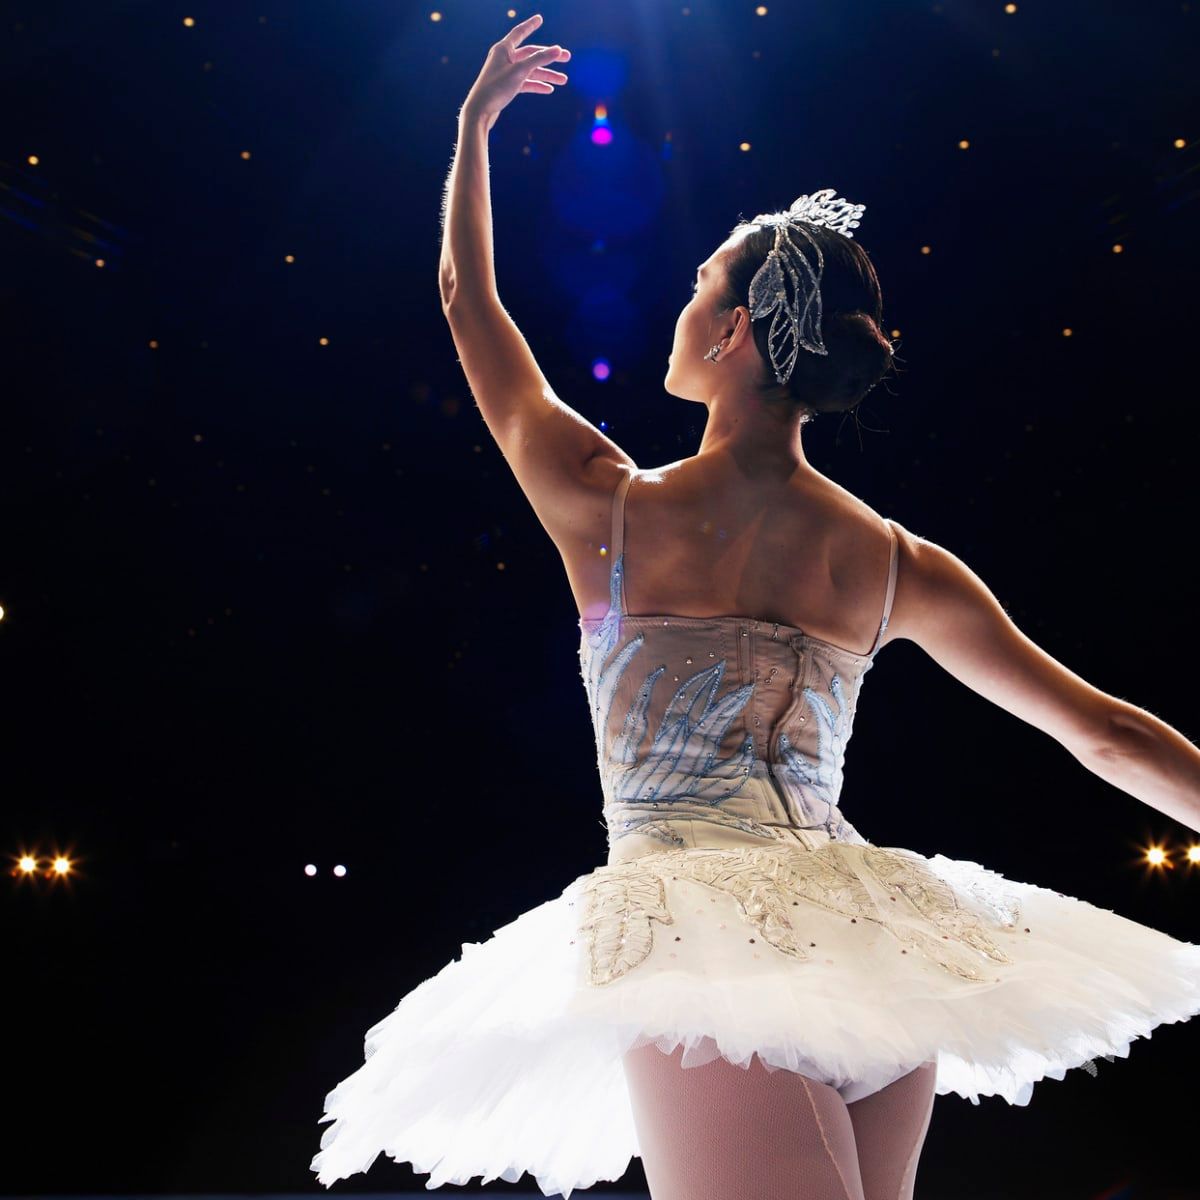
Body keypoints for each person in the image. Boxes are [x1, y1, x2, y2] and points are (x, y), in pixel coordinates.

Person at [310, 15, 1200, 1199]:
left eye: (696, 291)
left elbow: (467, 299)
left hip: (702, 946)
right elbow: (1108, 733)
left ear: (732, 332)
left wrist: (474, 130)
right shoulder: (895, 564)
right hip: (876, 952)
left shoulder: (607, 508)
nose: (681, 309)